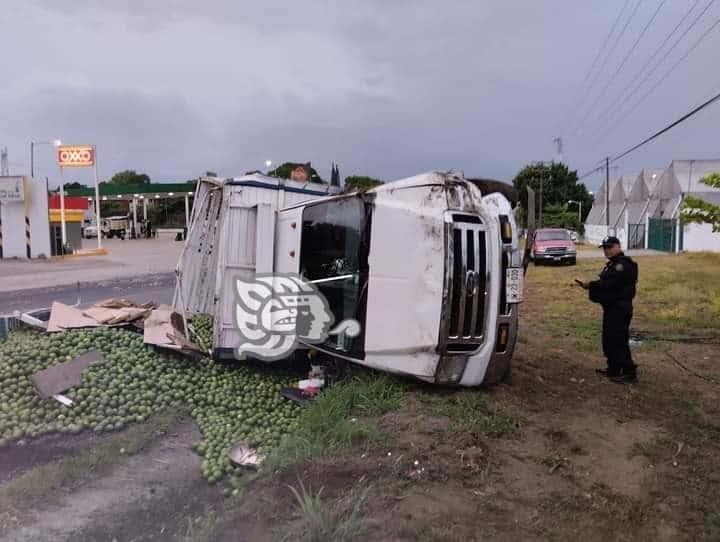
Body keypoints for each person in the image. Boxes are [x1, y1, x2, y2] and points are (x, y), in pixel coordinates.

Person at [576, 236, 638, 384]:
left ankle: (629, 372)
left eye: (610, 247)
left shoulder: (623, 265)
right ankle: (613, 368)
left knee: (619, 340)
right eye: (605, 248)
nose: (607, 250)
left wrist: (590, 284)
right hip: (611, 308)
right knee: (609, 340)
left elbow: (610, 284)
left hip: (620, 308)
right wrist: (591, 285)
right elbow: (605, 282)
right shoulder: (613, 264)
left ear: (618, 246)